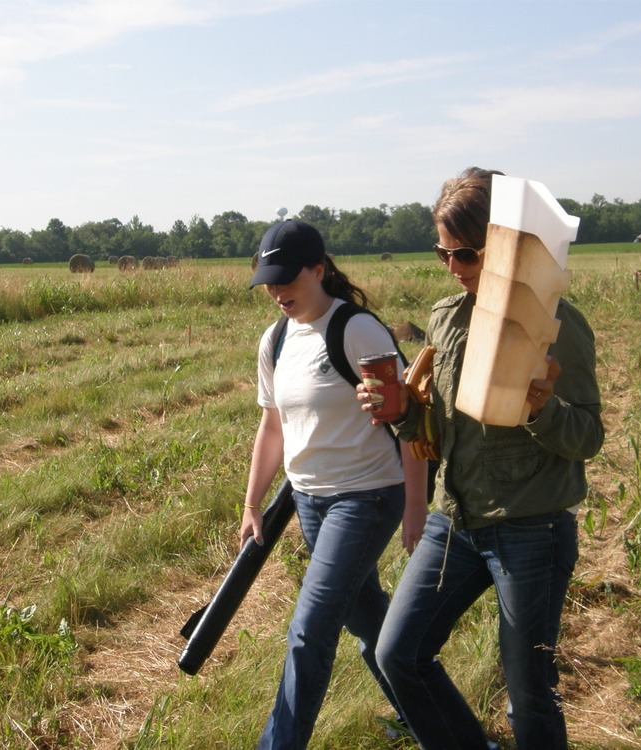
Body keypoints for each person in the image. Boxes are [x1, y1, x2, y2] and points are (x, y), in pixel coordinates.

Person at [365, 168, 604, 749]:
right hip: (458, 521)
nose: (452, 268)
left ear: (502, 248)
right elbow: (438, 435)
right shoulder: (446, 320)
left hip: (532, 528)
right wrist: (400, 412)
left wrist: (539, 411)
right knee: (398, 653)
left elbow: (589, 437)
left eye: (465, 255)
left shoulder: (556, 324)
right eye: (442, 254)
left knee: (528, 694)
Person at [240, 219, 428, 750]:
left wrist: (415, 504)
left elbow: (409, 418)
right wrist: (252, 501)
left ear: (319, 270)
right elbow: (273, 424)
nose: (277, 293)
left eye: (287, 280)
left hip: (367, 496)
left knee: (311, 627)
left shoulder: (356, 330)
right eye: (269, 283)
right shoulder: (275, 341)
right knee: (368, 621)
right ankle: (431, 717)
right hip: (310, 502)